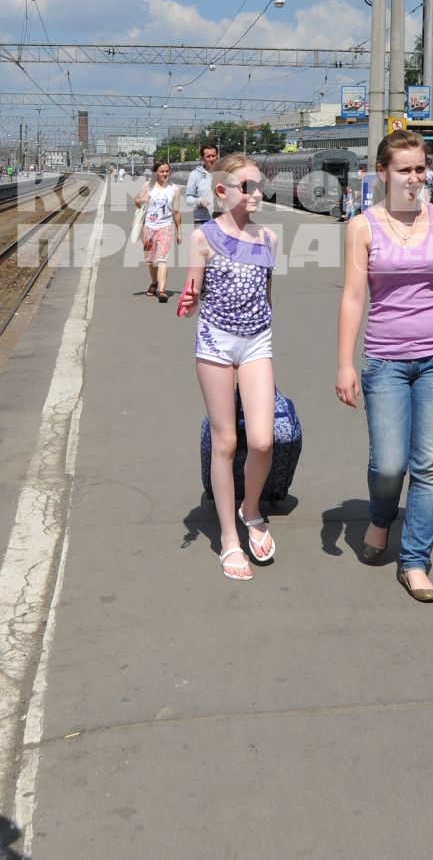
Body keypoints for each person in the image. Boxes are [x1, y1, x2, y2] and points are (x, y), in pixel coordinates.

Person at [335, 129, 433, 603]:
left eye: (420, 168)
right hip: (385, 361)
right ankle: (381, 517)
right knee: (388, 464)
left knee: (430, 465)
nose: (415, 178)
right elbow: (354, 296)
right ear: (382, 172)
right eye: (405, 169)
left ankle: (415, 560)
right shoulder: (363, 226)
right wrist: (345, 363)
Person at [180, 153, 280, 580]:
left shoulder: (270, 238)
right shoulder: (202, 237)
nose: (256, 193)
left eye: (258, 185)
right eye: (247, 186)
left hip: (257, 341)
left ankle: (250, 508)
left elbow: (268, 296)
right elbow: (193, 289)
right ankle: (229, 538)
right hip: (216, 343)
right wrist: (188, 300)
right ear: (222, 191)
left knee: (261, 440)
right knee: (226, 441)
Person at [136, 160, 181, 301]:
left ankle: (162, 291)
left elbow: (176, 211)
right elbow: (137, 203)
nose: (165, 174)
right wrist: (142, 199)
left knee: (162, 259)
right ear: (156, 172)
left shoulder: (174, 189)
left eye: (167, 171)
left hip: (165, 227)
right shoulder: (147, 186)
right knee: (150, 260)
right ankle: (154, 282)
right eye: (162, 171)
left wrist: (179, 231)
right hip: (148, 227)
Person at [184, 141, 219, 224]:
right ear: (203, 158)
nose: (211, 159)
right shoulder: (194, 175)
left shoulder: (224, 173)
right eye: (208, 156)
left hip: (220, 219)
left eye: (213, 156)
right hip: (202, 220)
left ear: (217, 156)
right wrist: (199, 201)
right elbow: (188, 199)